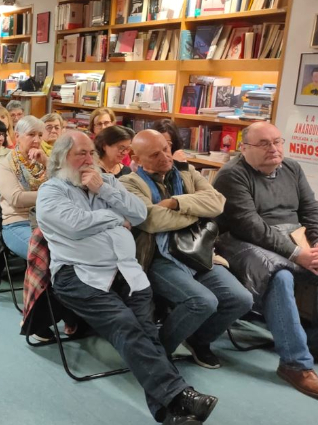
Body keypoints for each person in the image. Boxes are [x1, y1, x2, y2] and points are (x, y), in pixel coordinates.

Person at [37, 130, 218, 424]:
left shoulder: (107, 182)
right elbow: (75, 225)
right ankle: (180, 396)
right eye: (79, 153)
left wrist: (105, 192)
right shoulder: (52, 191)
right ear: (61, 159)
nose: (87, 159)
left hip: (126, 271)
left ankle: (170, 412)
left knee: (146, 331)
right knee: (125, 324)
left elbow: (138, 214)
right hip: (78, 276)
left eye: (91, 153)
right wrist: (113, 218)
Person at [120, 129, 253, 368]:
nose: (166, 157)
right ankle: (157, 352)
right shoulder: (127, 183)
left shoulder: (186, 172)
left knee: (241, 299)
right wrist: (199, 215)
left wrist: (176, 202)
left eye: (166, 149)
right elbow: (152, 220)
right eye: (155, 154)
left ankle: (198, 340)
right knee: (203, 301)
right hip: (157, 257)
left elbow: (218, 203)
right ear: (136, 158)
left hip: (198, 251)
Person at [213, 121, 318, 398]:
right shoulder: (232, 175)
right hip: (242, 242)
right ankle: (295, 365)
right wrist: (298, 254)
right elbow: (250, 226)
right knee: (279, 275)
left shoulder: (292, 168)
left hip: (294, 237)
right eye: (264, 144)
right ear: (244, 148)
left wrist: (316, 246)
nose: (274, 149)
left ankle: (312, 342)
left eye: (277, 142)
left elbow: (311, 211)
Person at [0, 115, 48, 262]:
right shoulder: (4, 164)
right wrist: (50, 194)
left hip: (48, 220)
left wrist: (47, 163)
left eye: (40, 135)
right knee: (44, 256)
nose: (37, 140)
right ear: (17, 136)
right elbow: (17, 198)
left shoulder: (44, 161)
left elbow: (65, 186)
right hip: (18, 222)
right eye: (31, 134)